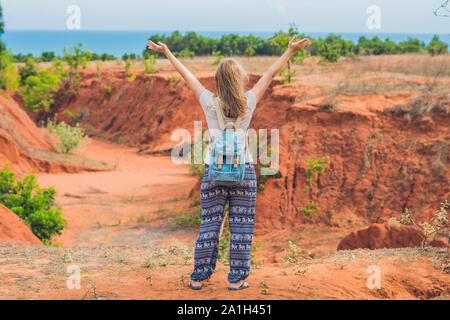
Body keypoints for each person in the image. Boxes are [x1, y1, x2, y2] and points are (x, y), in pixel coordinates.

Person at [147, 36, 310, 291]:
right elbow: (269, 74)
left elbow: (187, 76)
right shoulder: (249, 102)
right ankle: (236, 280)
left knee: (210, 224)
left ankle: (198, 278)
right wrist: (289, 51)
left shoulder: (209, 102)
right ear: (239, 79)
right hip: (243, 170)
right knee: (242, 227)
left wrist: (167, 52)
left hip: (214, 172)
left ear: (219, 80)